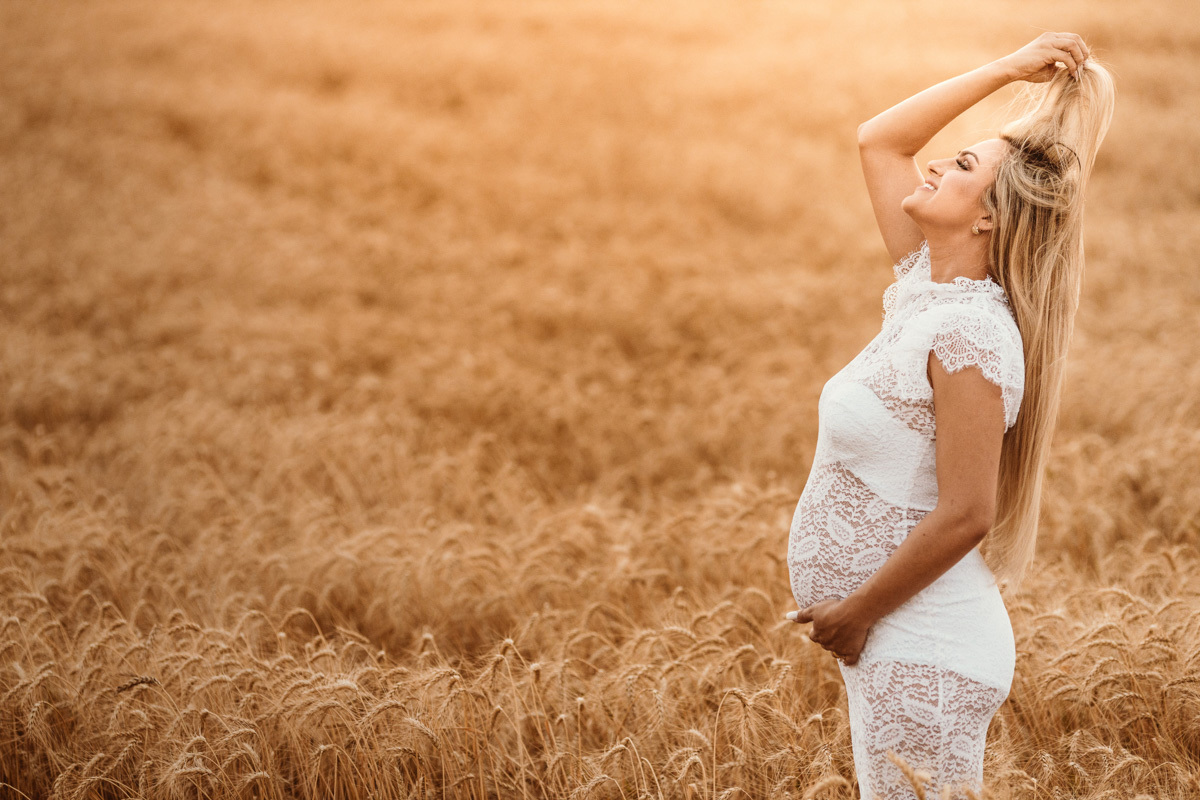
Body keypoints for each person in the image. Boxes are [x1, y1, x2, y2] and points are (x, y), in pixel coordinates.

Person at [782, 33, 1116, 798]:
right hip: (896, 641)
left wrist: (855, 614)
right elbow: (880, 139)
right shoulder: (924, 289)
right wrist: (1008, 69)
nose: (935, 162)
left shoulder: (967, 332)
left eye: (961, 166)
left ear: (990, 221)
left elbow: (969, 511)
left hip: (921, 644)